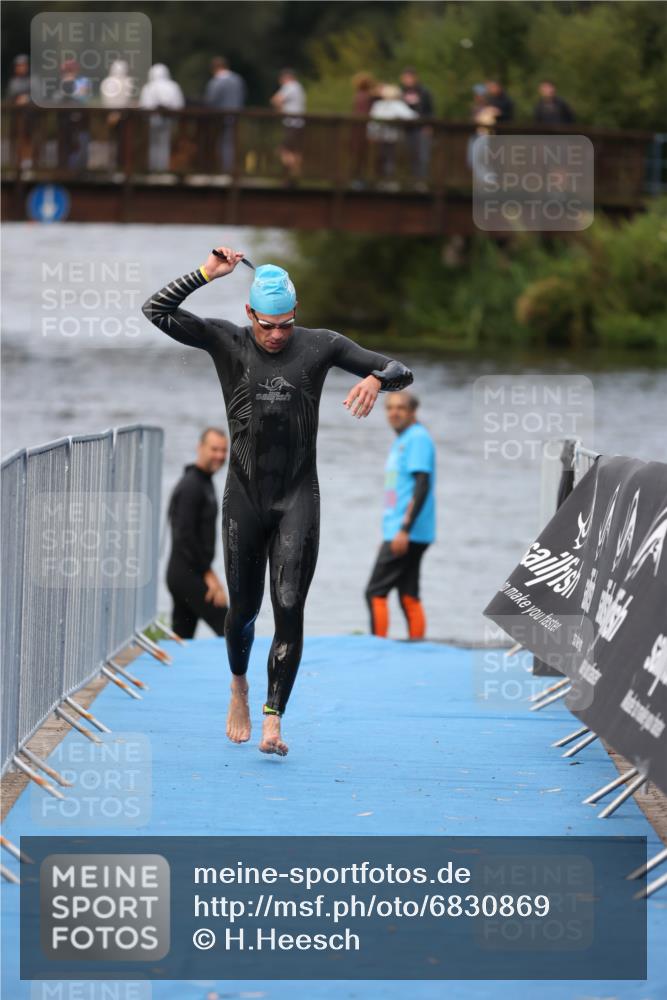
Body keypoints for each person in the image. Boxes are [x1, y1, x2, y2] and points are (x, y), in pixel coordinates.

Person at [142, 250, 413, 755]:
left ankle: (274, 719)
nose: (277, 336)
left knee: (289, 607)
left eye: (286, 325)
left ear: (297, 314)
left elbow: (401, 370)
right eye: (268, 326)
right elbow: (155, 311)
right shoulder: (227, 340)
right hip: (244, 498)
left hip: (296, 500)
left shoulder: (321, 346)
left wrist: (376, 378)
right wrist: (206, 275)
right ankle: (239, 687)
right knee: (242, 612)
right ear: (250, 316)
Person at [366, 392, 435, 641]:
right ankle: (418, 645)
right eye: (390, 408)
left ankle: (377, 646)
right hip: (399, 530)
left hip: (408, 531)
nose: (394, 412)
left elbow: (422, 485)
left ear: (413, 412)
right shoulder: (404, 440)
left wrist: (404, 530)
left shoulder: (417, 439)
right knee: (408, 592)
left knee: (375, 591)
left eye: (401, 408)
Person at [166, 428, 229, 639]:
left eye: (224, 450)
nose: (220, 455)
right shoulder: (191, 486)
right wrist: (208, 574)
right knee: (230, 627)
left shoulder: (205, 481)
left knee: (182, 636)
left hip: (189, 571)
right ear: (200, 448)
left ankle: (172, 670)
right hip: (187, 573)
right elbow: (184, 535)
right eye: (214, 449)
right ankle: (246, 672)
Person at [204, 56, 246, 173]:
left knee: (221, 144)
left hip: (220, 117)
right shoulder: (238, 80)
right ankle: (231, 168)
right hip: (235, 116)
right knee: (232, 144)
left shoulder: (216, 82)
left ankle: (223, 169)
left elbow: (210, 101)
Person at [368, 84, 417, 183]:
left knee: (384, 159)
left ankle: (384, 181)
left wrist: (371, 134)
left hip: (381, 137)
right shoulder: (397, 105)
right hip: (393, 137)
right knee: (390, 160)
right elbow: (413, 116)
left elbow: (372, 123)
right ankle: (389, 181)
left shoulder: (378, 105)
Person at [140, 63, 185, 172]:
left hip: (154, 120)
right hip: (167, 120)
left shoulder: (148, 87)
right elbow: (179, 104)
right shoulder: (173, 86)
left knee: (154, 144)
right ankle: (162, 168)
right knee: (164, 144)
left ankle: (154, 168)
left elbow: (144, 105)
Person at [270, 68, 306, 183]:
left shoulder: (290, 86)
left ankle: (291, 176)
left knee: (284, 150)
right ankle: (296, 176)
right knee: (296, 151)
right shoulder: (299, 87)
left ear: (285, 78)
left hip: (291, 123)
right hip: (300, 124)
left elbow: (276, 100)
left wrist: (279, 111)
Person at [399, 67, 434, 183]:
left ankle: (421, 182)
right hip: (406, 129)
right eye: (405, 78)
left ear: (415, 78)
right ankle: (409, 181)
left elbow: (430, 110)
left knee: (422, 156)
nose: (407, 80)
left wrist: (429, 125)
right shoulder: (400, 92)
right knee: (408, 156)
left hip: (421, 128)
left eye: (409, 77)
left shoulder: (424, 92)